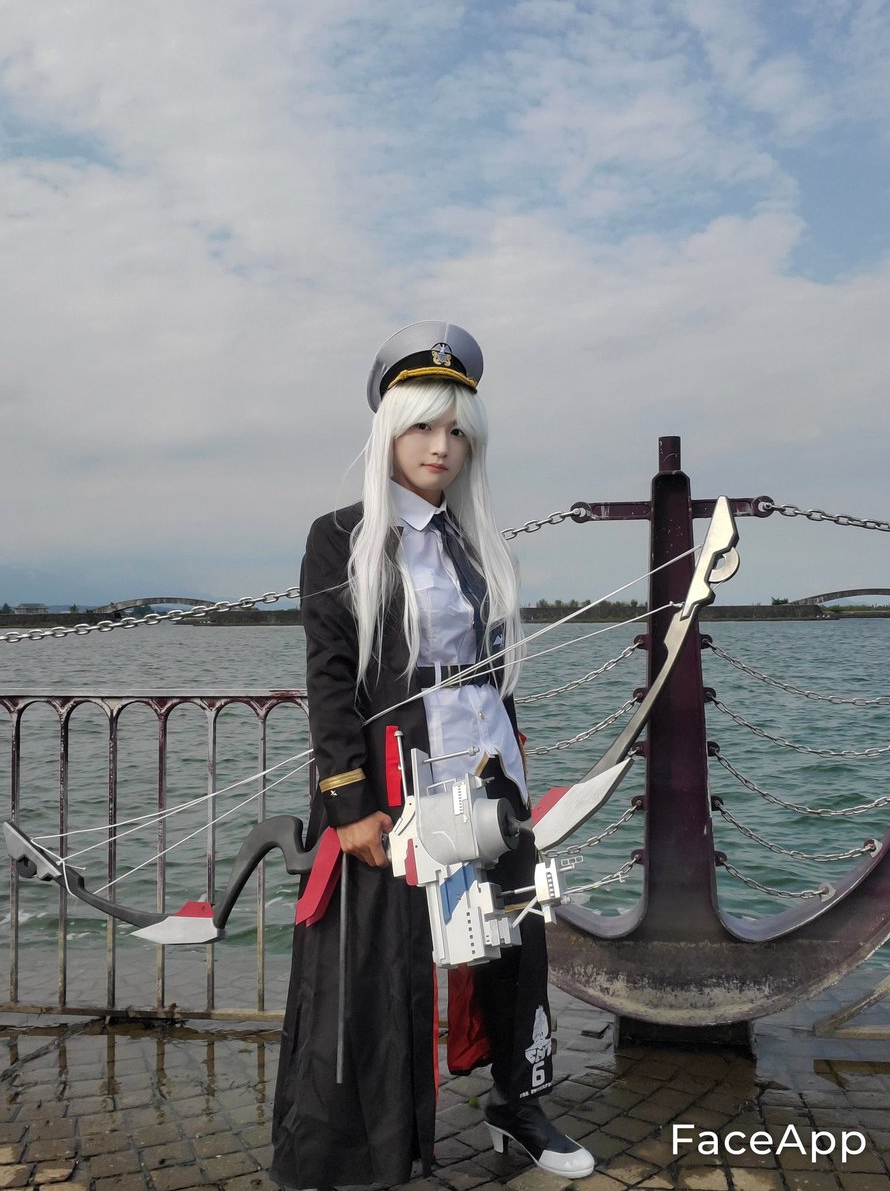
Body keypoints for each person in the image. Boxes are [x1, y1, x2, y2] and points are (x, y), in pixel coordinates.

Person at [271, 322, 594, 1189]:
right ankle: (363, 1148)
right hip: (393, 781)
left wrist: (517, 776)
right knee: (381, 962)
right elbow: (329, 677)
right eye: (421, 426)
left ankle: (518, 1105)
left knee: (514, 945)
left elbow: (494, 676)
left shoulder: (477, 542)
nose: (440, 446)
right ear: (389, 431)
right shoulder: (338, 537)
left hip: (489, 775)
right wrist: (348, 804)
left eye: (455, 430)